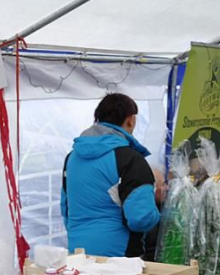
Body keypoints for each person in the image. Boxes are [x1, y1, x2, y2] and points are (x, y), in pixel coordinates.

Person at [61, 93, 160, 257]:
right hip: (119, 257)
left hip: (78, 253)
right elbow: (141, 218)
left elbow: (66, 208)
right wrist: (159, 210)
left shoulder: (71, 158)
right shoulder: (130, 159)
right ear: (131, 120)